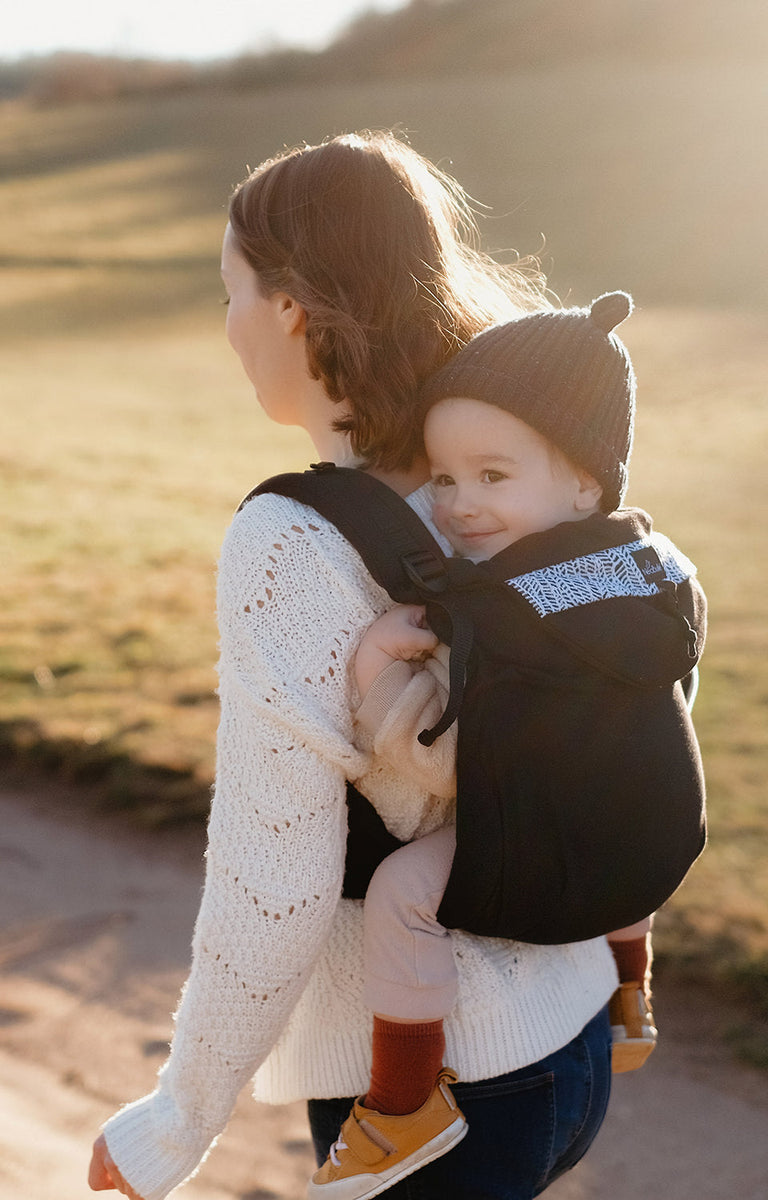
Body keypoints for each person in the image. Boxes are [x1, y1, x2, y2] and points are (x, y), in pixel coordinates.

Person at [88, 130, 619, 1200]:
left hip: (426, 1097)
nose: (230, 328)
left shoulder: (290, 544)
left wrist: (176, 1120)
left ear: (288, 308)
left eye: (230, 292)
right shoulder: (513, 469)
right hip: (573, 1039)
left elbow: (272, 885)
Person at [310, 292, 705, 1195]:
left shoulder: (500, 611)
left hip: (548, 837)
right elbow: (682, 673)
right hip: (651, 831)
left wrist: (378, 678)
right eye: (444, 478)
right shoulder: (647, 562)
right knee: (631, 808)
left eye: (493, 476)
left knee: (404, 893)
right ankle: (629, 992)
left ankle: (405, 1103)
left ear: (584, 482)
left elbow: (445, 756)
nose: (457, 505)